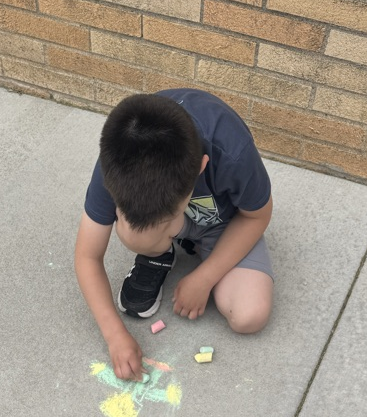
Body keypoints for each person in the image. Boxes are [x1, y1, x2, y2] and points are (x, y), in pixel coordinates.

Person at [75, 89, 274, 381]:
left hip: (227, 223)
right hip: (177, 218)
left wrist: (205, 277)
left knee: (249, 316)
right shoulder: (119, 160)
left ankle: (178, 241)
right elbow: (87, 255)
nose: (161, 223)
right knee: (134, 229)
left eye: (165, 218)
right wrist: (114, 334)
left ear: (201, 168)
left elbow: (258, 215)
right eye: (159, 222)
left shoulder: (230, 149)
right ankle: (159, 254)